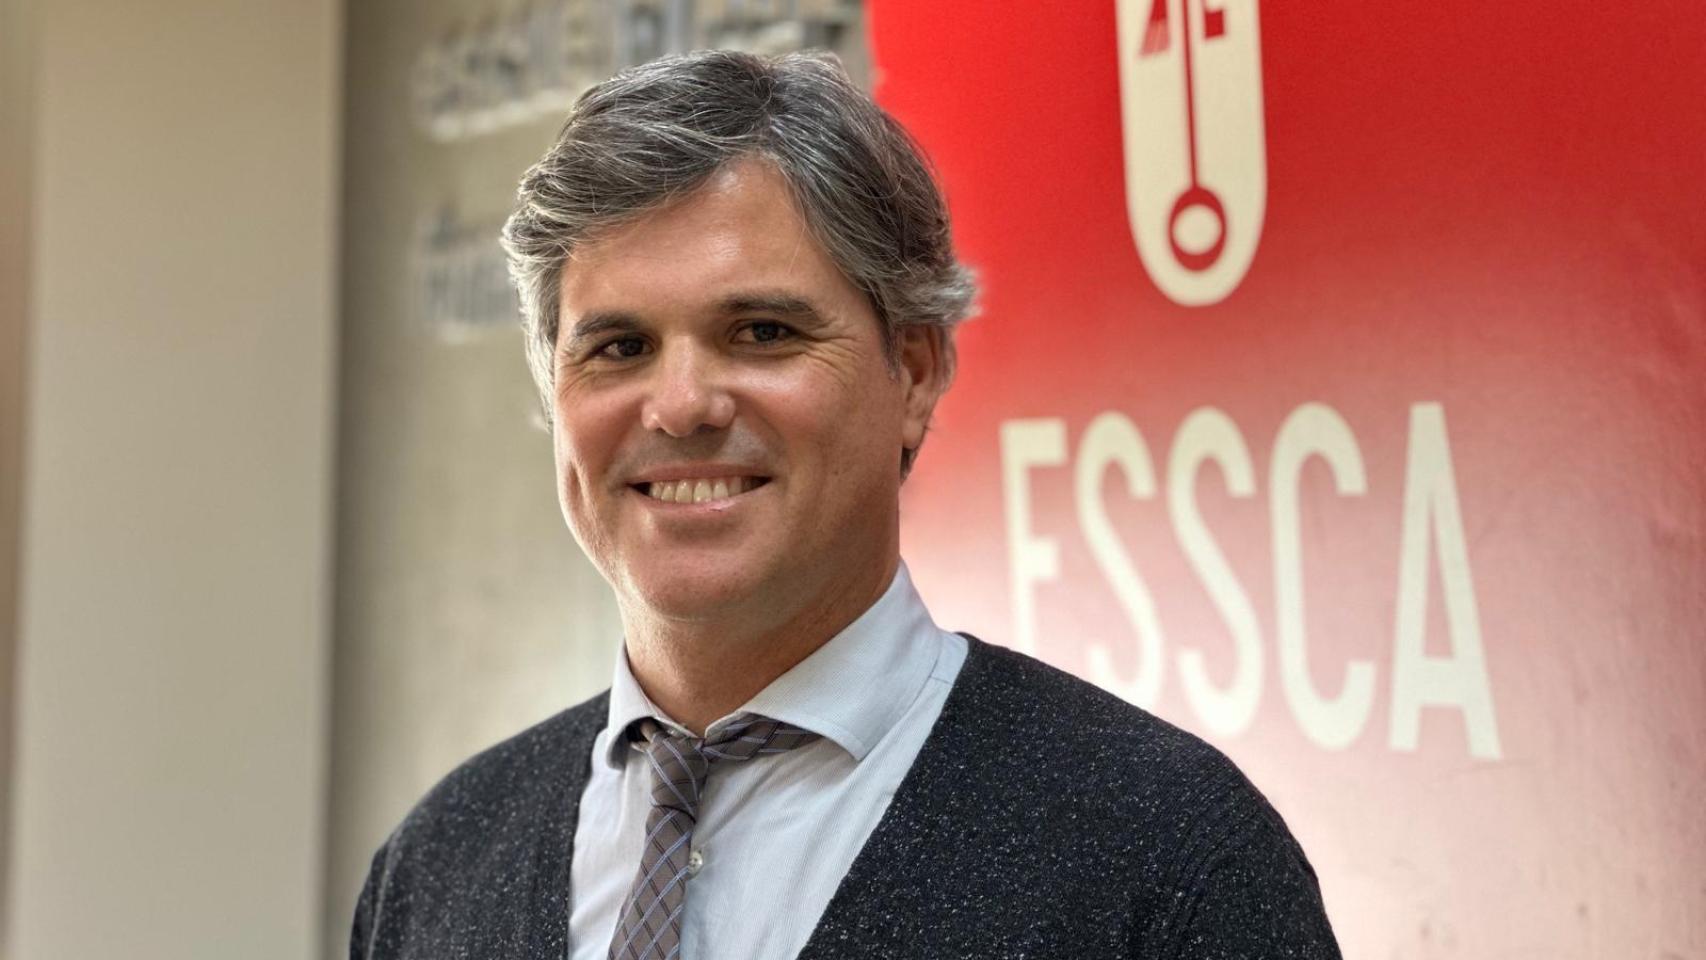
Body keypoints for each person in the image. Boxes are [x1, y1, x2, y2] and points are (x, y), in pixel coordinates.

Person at [349, 49, 1341, 960]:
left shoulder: (1169, 855)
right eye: (619, 348)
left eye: (761, 332)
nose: (681, 405)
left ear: (914, 371)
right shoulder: (437, 864)